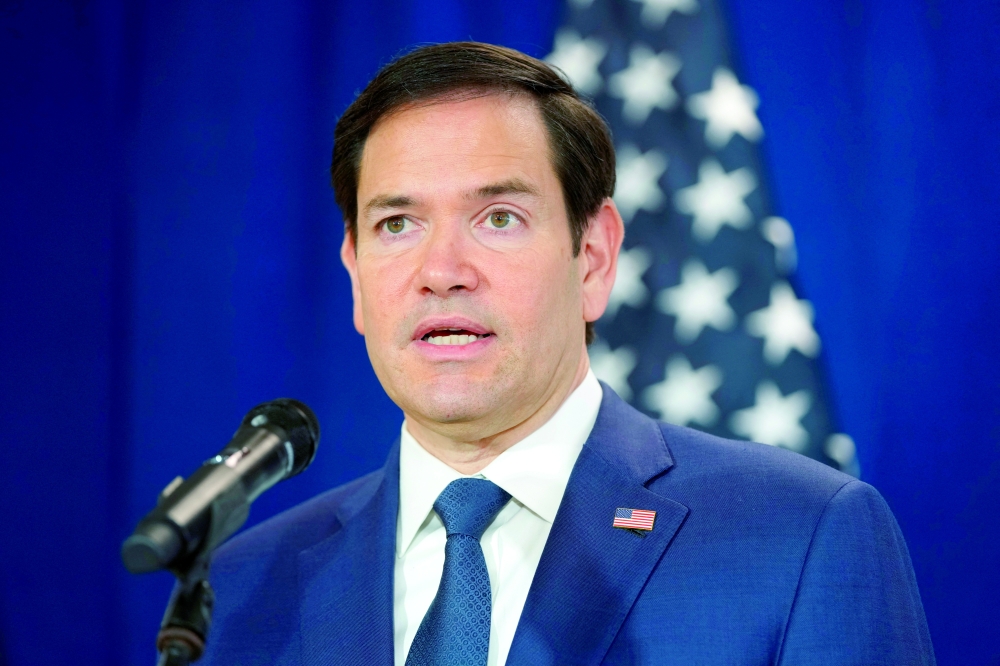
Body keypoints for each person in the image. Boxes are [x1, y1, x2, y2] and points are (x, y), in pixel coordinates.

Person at [200, 42, 934, 665]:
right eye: (397, 224)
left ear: (592, 258)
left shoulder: (801, 536)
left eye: (498, 217)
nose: (442, 268)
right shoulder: (242, 589)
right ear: (355, 274)